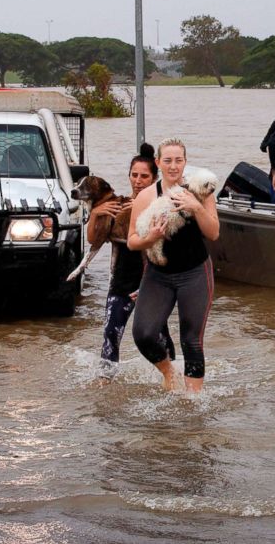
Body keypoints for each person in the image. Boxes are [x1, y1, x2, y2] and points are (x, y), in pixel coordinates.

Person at [127, 138, 220, 393]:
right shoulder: (146, 196)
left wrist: (196, 208)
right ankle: (169, 373)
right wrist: (152, 237)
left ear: (185, 163)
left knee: (191, 340)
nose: (173, 166)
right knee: (144, 333)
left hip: (195, 273)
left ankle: (193, 401)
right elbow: (132, 242)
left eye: (178, 160)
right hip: (159, 275)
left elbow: (213, 233)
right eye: (167, 160)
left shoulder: (201, 190)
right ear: (158, 163)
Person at [94, 143, 175, 381]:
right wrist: (96, 213)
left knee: (158, 337)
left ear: (154, 178)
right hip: (120, 283)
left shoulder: (163, 207)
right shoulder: (118, 205)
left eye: (144, 176)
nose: (138, 181)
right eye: (134, 175)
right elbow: (94, 239)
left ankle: (174, 381)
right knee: (111, 334)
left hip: (152, 285)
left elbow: (169, 251)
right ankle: (105, 385)